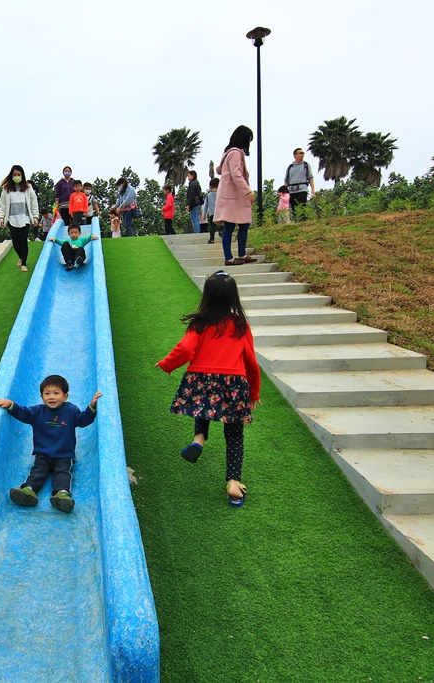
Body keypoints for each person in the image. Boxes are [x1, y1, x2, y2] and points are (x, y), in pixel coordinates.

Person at [155, 271, 261, 507]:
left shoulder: (200, 323)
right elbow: (251, 362)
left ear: (208, 296)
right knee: (234, 433)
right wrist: (253, 392)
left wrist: (167, 364)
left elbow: (184, 350)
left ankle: (199, 438)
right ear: (233, 297)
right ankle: (234, 483)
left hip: (202, 376)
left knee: (201, 407)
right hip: (234, 381)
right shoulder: (241, 325)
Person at [0, 375, 102, 513]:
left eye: (56, 393)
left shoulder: (71, 410)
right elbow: (23, 413)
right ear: (41, 397)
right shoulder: (37, 411)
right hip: (43, 453)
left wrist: (92, 406)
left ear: (65, 396)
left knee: (63, 473)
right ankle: (28, 490)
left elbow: (83, 420)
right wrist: (11, 405)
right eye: (47, 393)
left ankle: (61, 494)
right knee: (38, 470)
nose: (51, 397)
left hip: (64, 454)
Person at [216, 126, 257, 266]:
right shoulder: (235, 153)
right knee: (230, 226)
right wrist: (248, 191)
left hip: (234, 196)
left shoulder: (229, 152)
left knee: (243, 224)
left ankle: (242, 254)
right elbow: (236, 174)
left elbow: (221, 170)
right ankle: (229, 257)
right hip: (233, 196)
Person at [0, 165, 39, 272]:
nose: (17, 176)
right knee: (15, 242)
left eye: (19, 175)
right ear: (11, 175)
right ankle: (21, 256)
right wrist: (1, 217)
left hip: (25, 218)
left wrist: (35, 217)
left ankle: (24, 263)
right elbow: (2, 205)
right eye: (15, 174)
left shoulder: (28, 188)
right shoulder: (6, 189)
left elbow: (34, 203)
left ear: (22, 175)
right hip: (12, 219)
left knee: (23, 240)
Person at [284, 148, 315, 219]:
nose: (302, 155)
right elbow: (286, 180)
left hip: (302, 189)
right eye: (300, 153)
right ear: (295, 155)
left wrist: (313, 189)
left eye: (303, 153)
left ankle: (303, 221)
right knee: (294, 209)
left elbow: (310, 178)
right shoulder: (290, 167)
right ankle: (297, 222)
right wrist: (284, 191)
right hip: (292, 190)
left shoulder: (306, 165)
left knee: (302, 207)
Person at [204, 177, 220, 244]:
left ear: (210, 186)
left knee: (212, 226)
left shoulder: (208, 195)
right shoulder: (220, 194)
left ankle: (211, 239)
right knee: (222, 224)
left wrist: (204, 214)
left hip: (212, 213)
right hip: (220, 212)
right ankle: (221, 231)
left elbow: (205, 205)